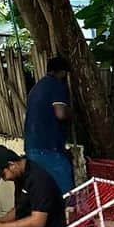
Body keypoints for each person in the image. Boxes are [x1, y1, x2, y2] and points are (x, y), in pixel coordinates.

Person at [24, 56, 74, 194]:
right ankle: (69, 214)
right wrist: (72, 113)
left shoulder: (36, 87)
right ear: (63, 72)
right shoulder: (57, 86)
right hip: (48, 147)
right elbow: (60, 113)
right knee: (65, 189)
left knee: (43, 189)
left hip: (32, 146)